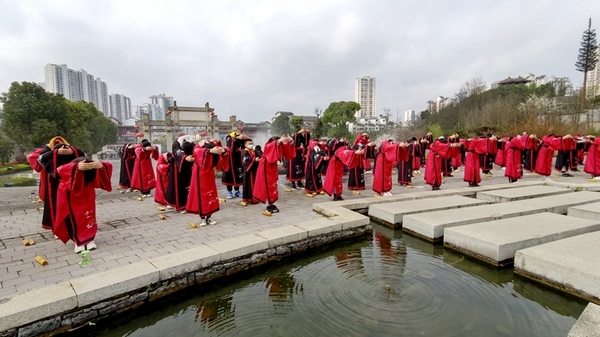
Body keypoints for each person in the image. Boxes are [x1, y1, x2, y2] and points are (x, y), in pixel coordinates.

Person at [54, 157, 112, 253]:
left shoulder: (90, 182)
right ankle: (78, 241)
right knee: (73, 219)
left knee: (88, 216)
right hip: (70, 196)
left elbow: (108, 165)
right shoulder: (65, 182)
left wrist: (101, 166)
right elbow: (60, 169)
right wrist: (76, 167)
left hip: (87, 194)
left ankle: (89, 239)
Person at [38, 137, 85, 232]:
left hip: (70, 182)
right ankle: (57, 228)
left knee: (71, 205)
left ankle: (74, 225)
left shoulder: (73, 151)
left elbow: (83, 156)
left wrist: (72, 151)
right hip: (53, 184)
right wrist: (56, 152)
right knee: (55, 205)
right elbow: (40, 160)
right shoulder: (46, 152)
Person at [186, 139, 229, 226]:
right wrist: (209, 151)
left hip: (209, 174)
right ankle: (202, 218)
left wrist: (223, 151)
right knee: (200, 196)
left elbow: (222, 154)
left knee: (210, 195)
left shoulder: (210, 148)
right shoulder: (198, 148)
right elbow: (197, 151)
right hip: (199, 175)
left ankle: (209, 217)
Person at [253, 136, 295, 214]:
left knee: (273, 185)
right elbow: (272, 147)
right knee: (265, 186)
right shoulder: (268, 145)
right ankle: (266, 205)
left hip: (272, 168)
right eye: (278, 143)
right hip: (265, 168)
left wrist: (291, 141)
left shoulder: (276, 145)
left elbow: (287, 152)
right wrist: (279, 141)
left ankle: (271, 203)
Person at [165, 140, 195, 213]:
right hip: (180, 177)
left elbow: (175, 146)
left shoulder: (180, 153)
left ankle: (179, 204)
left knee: (179, 189)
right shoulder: (183, 155)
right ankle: (180, 205)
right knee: (178, 190)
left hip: (180, 176)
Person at [222, 131, 247, 199]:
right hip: (229, 166)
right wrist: (237, 138)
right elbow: (232, 143)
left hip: (237, 165)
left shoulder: (239, 150)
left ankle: (237, 191)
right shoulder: (226, 149)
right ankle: (229, 192)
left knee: (237, 177)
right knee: (228, 178)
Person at [242, 139, 261, 205]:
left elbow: (261, 155)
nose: (251, 145)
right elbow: (245, 158)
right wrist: (254, 159)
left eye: (252, 143)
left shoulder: (254, 150)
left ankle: (256, 197)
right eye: (249, 144)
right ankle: (249, 198)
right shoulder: (244, 151)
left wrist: (259, 151)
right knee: (249, 184)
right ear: (245, 145)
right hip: (249, 171)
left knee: (256, 183)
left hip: (255, 170)